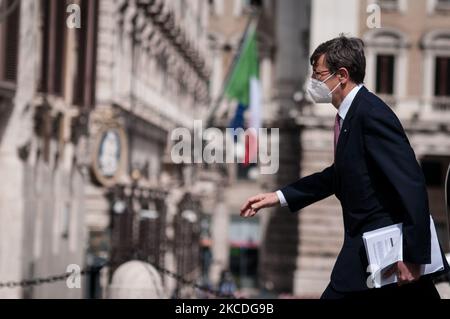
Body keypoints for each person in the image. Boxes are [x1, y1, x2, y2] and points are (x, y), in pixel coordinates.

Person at [240, 35, 450, 299]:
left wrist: (413, 255)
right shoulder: (351, 115)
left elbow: (411, 183)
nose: (313, 82)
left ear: (341, 75)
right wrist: (278, 196)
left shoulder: (371, 114)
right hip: (373, 254)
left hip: (387, 251)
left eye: (318, 74)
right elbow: (337, 175)